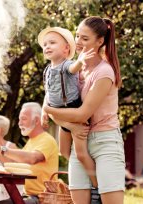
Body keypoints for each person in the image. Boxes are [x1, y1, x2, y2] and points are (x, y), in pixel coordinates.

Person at [44, 16, 125, 204]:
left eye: (85, 39)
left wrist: (47, 109)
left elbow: (81, 114)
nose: (78, 42)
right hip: (79, 140)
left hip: (105, 142)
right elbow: (57, 103)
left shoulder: (104, 72)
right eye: (77, 36)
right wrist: (67, 125)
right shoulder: (73, 69)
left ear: (100, 41)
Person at [38, 26, 98, 189]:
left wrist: (80, 60)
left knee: (81, 153)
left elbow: (73, 69)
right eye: (45, 44)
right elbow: (48, 93)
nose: (47, 46)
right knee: (64, 151)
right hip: (59, 114)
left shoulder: (66, 65)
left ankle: (97, 185)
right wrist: (44, 111)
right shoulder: (47, 70)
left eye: (52, 43)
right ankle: (83, 178)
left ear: (66, 49)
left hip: (71, 108)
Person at [0, 102, 59, 204]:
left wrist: (1, 149)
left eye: (24, 119)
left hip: (41, 198)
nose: (19, 123)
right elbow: (15, 164)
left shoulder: (47, 140)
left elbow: (32, 158)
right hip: (27, 195)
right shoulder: (31, 142)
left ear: (37, 120)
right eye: (19, 119)